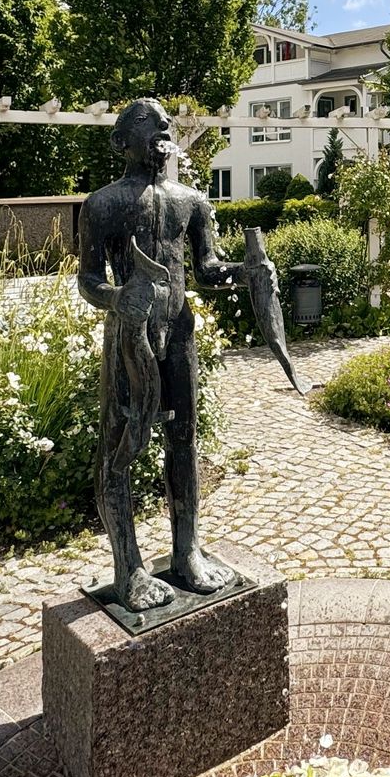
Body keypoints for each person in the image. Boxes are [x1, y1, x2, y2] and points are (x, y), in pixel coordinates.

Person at [75, 97, 268, 610]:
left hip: (179, 333)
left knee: (183, 439)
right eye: (146, 120)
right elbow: (88, 279)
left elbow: (207, 268)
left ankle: (188, 553)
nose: (162, 126)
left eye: (165, 122)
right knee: (121, 445)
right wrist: (117, 298)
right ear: (121, 140)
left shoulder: (192, 201)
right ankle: (129, 568)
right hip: (129, 339)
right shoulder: (102, 205)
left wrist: (247, 274)